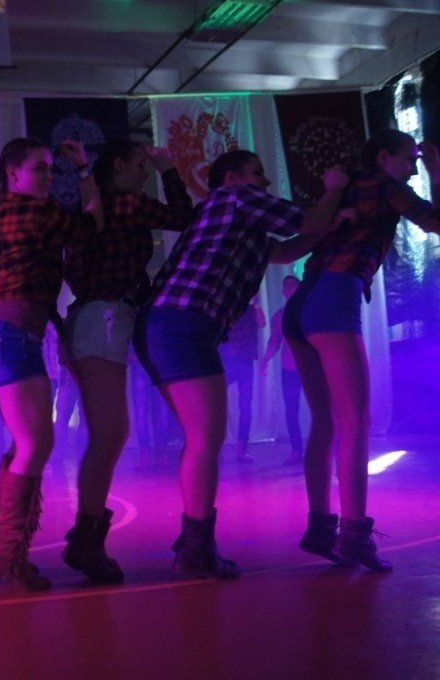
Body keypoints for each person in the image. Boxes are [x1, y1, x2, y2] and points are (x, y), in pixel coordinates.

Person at [133, 149, 348, 579]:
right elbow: (306, 222)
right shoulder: (235, 198)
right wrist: (334, 191)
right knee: (205, 439)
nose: (265, 181)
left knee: (201, 438)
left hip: (166, 324)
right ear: (232, 177)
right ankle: (196, 550)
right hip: (183, 322)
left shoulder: (236, 222)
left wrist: (330, 225)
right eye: (258, 173)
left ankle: (193, 541)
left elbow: (286, 250)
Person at [284, 131, 440, 572]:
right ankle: (353, 535)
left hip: (302, 302)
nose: (413, 166)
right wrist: (436, 174)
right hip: (335, 295)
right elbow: (434, 222)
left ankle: (320, 529)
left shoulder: (347, 187)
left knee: (325, 421)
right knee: (356, 421)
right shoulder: (386, 186)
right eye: (409, 158)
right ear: (383, 157)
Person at [0, 137, 103, 590]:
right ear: (13, 175)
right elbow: (91, 225)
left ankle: (3, 542)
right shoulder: (34, 211)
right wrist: (84, 172)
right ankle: (7, 553)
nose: (48, 176)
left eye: (50, 168)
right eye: (40, 168)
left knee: (25, 444)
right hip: (12, 339)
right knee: (36, 445)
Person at [62, 140, 193, 583]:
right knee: (109, 434)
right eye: (140, 165)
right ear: (118, 165)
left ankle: (86, 537)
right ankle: (86, 541)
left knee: (109, 433)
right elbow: (184, 217)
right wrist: (169, 169)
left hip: (94, 317)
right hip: (104, 316)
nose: (145, 172)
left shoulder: (96, 207)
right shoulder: (126, 203)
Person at [257, 274, 304, 465]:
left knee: (322, 409)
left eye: (293, 286)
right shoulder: (279, 316)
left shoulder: (310, 311)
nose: (289, 289)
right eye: (287, 286)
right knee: (291, 410)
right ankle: (297, 450)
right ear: (283, 291)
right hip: (290, 369)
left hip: (311, 368)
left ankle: (328, 448)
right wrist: (265, 361)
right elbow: (274, 341)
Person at [219, 301, 266, 463]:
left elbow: (262, 323)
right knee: (220, 405)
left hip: (244, 360)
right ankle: (219, 448)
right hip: (228, 360)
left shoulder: (251, 309)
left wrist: (257, 306)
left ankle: (242, 450)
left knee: (245, 406)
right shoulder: (227, 308)